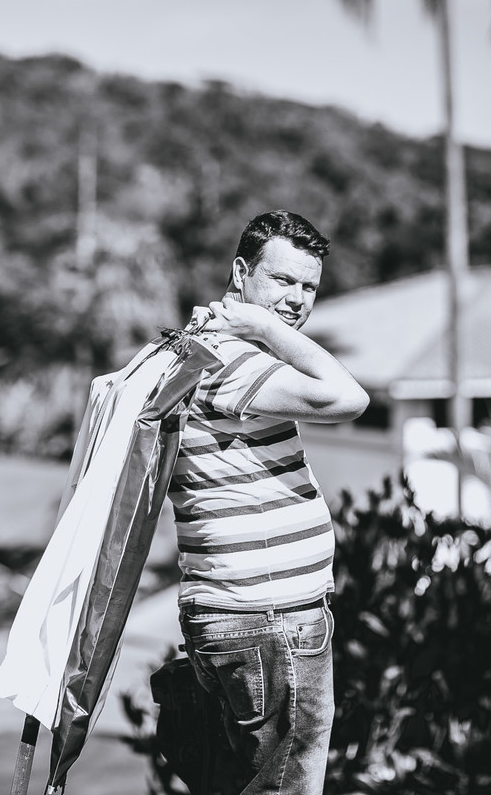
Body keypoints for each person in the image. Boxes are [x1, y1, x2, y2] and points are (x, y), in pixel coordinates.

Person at [171, 210, 369, 794]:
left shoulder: (205, 347)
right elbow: (348, 398)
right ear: (241, 273)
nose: (297, 299)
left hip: (246, 618)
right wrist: (264, 327)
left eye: (309, 286)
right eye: (282, 279)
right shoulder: (231, 359)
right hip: (269, 619)